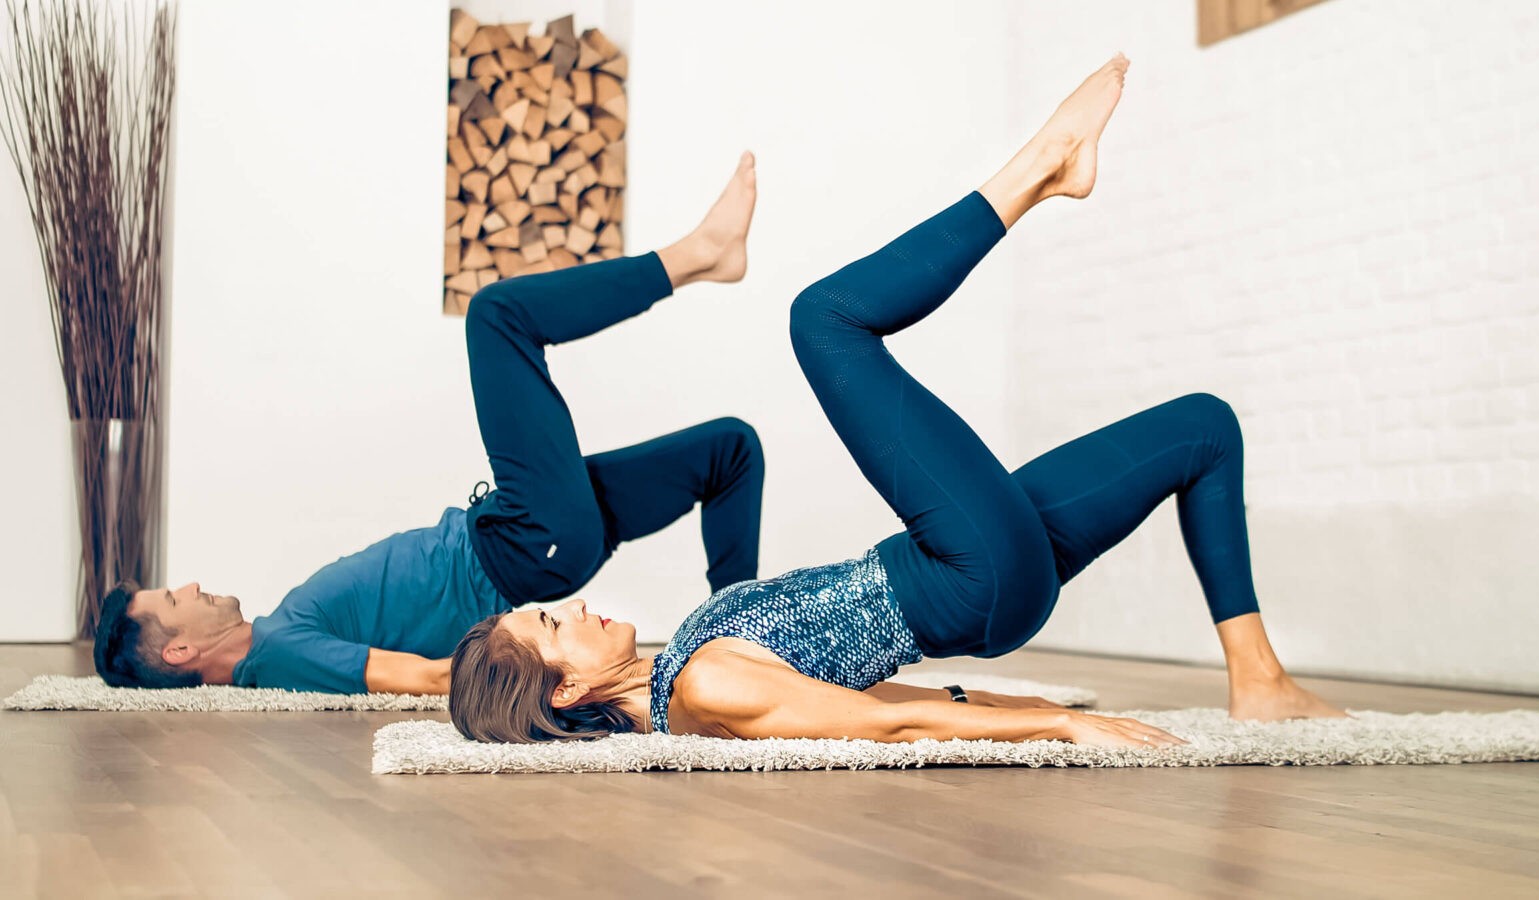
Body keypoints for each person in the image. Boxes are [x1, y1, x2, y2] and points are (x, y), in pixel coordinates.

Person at [448, 54, 1349, 748]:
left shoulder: (682, 673)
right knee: (823, 321)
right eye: (554, 626)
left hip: (968, 571)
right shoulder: (703, 691)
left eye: (550, 606)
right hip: (966, 573)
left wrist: (1013, 700)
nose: (573, 604)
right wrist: (1058, 727)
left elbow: (891, 698)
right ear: (565, 690)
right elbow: (890, 729)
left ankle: (1258, 679)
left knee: (1202, 429)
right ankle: (1039, 168)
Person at [90, 157, 769, 695]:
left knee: (730, 450)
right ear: (179, 650)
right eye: (170, 600)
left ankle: (732, 646)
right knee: (497, 316)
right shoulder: (278, 654)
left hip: (523, 530)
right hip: (523, 548)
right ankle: (697, 254)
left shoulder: (279, 632)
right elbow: (424, 679)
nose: (186, 586)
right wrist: (595, 681)